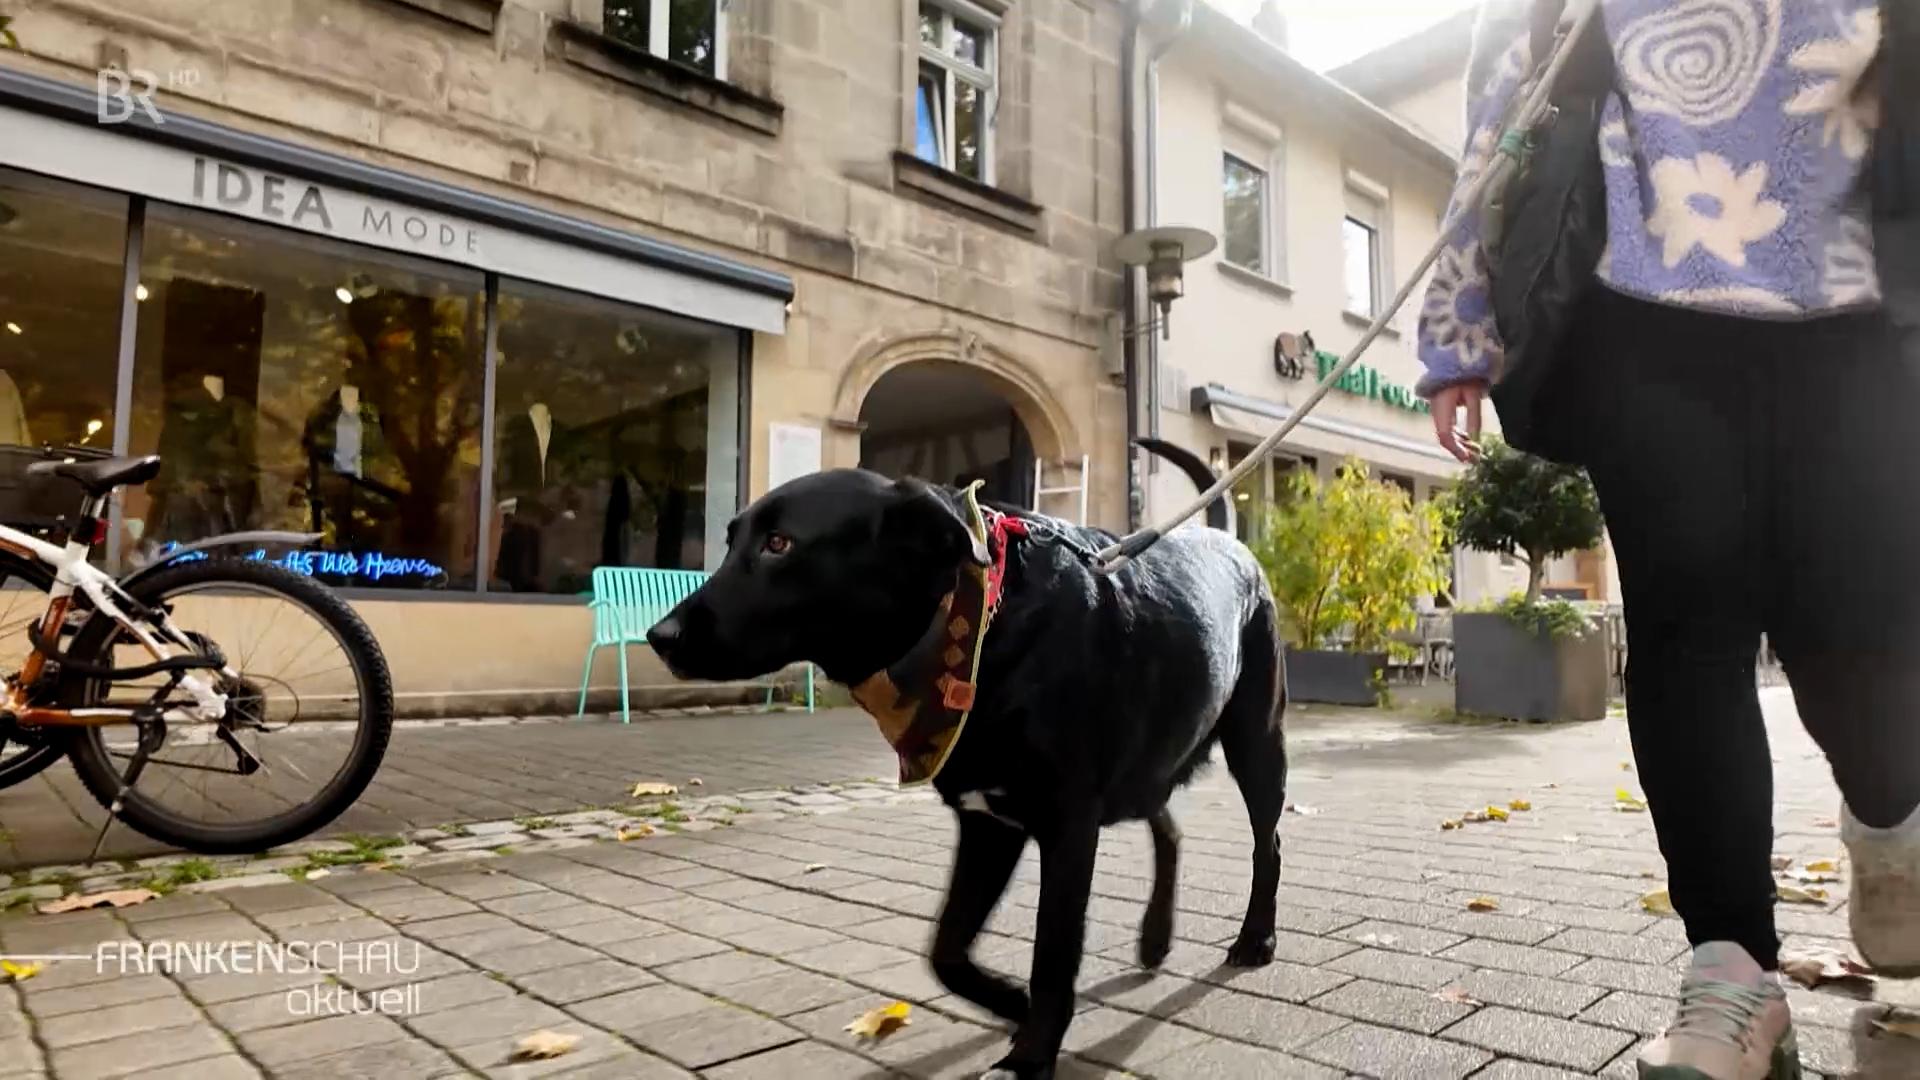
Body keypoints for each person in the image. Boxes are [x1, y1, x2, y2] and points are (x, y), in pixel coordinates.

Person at [1419, 2, 1916, 1078]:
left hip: (1866, 306)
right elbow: (1505, 107)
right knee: (1689, 632)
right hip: (1641, 310)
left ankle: (1890, 816)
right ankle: (1731, 971)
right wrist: (1458, 327)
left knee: (1854, 631)